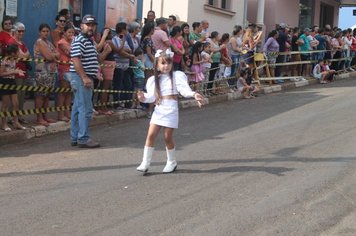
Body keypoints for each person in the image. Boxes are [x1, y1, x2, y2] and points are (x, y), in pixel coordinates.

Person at [136, 49, 204, 173]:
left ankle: (171, 162)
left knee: (167, 137)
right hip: (159, 109)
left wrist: (194, 94)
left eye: (168, 63)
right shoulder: (153, 80)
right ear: (157, 65)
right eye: (163, 63)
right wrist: (143, 97)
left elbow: (184, 90)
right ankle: (145, 162)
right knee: (150, 135)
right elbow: (151, 97)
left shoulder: (177, 76)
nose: (166, 66)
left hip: (171, 108)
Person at [69, 15, 112, 148]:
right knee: (86, 109)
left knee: (78, 108)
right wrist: (85, 77)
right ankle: (83, 138)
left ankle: (76, 136)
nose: (91, 27)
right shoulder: (80, 40)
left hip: (85, 76)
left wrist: (105, 52)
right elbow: (76, 59)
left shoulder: (89, 41)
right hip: (81, 77)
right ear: (82, 26)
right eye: (88, 25)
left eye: (93, 25)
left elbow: (96, 60)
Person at [33, 23, 60, 126]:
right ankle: (39, 117)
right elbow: (49, 57)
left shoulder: (48, 42)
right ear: (39, 32)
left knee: (47, 95)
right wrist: (53, 55)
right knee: (40, 95)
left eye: (47, 31)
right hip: (42, 72)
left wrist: (52, 55)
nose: (46, 33)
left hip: (51, 73)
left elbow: (58, 54)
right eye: (43, 31)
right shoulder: (40, 42)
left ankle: (45, 116)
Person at [7, 22, 31, 124]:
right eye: (19, 31)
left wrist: (24, 55)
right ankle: (12, 117)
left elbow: (28, 55)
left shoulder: (22, 43)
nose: (21, 33)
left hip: (23, 71)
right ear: (14, 31)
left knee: (22, 95)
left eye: (23, 31)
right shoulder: (12, 41)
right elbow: (24, 56)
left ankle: (19, 115)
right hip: (15, 72)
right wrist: (25, 55)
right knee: (15, 95)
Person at [0, 44, 26, 131]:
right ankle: (3, 124)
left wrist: (17, 71)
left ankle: (16, 122)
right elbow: (1, 73)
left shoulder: (14, 60)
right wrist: (14, 71)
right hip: (5, 82)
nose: (19, 53)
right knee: (5, 104)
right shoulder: (4, 60)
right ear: (12, 53)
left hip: (12, 81)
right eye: (17, 52)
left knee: (16, 103)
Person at [57, 23, 75, 121]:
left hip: (72, 69)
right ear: (65, 33)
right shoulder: (61, 42)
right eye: (69, 32)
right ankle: (60, 114)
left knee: (69, 92)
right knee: (63, 92)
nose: (71, 34)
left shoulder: (73, 42)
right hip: (64, 69)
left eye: (72, 32)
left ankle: (67, 113)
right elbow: (71, 53)